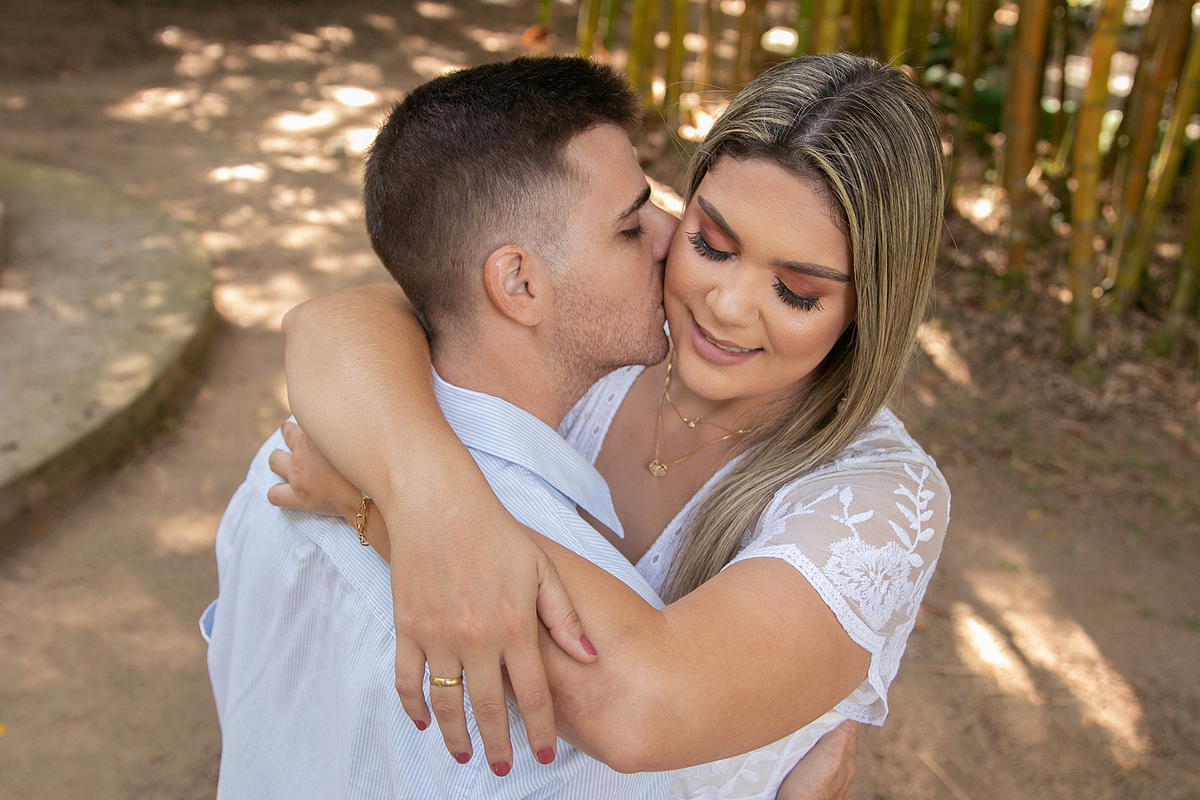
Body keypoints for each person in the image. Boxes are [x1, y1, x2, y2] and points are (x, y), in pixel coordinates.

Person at [277, 53, 948, 800]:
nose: (725, 306)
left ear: (870, 306)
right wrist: (426, 492)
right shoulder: (619, 330)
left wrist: (370, 508)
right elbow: (339, 320)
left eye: (794, 291)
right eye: (711, 245)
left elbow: (636, 709)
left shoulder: (882, 501)